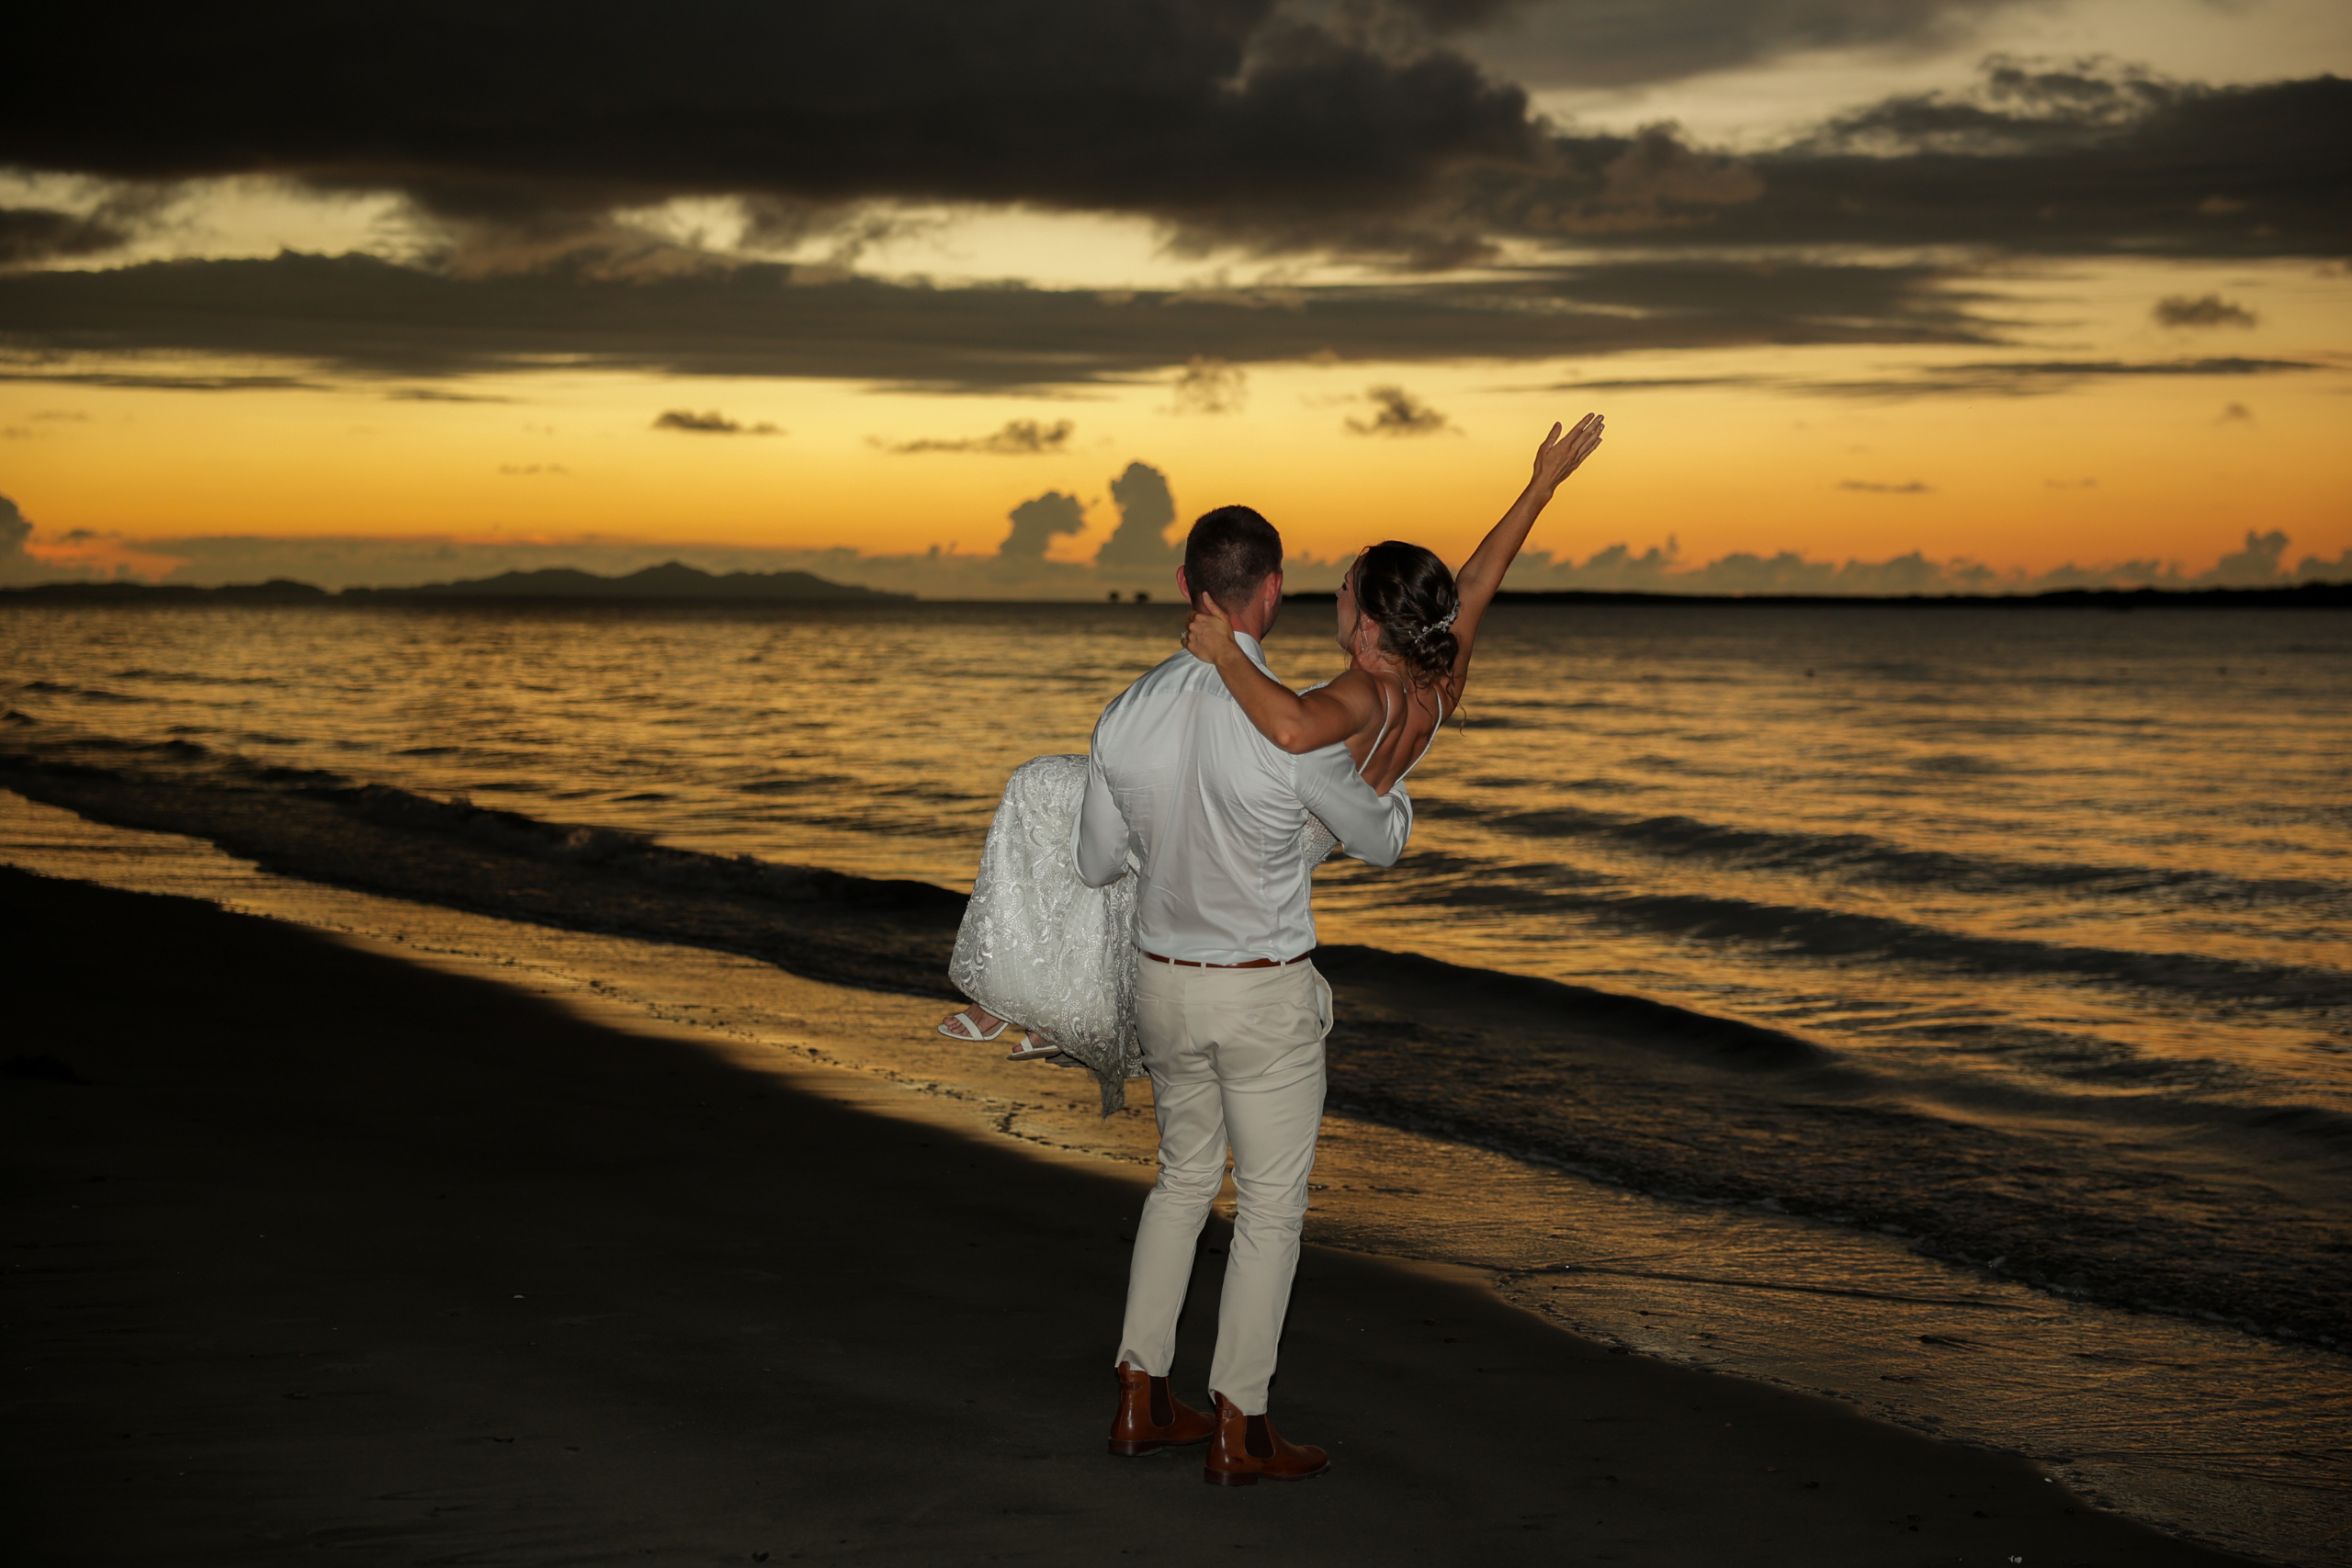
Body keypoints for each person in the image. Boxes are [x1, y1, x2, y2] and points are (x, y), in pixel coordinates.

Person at [1075, 502, 1413, 1483]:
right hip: (1260, 993)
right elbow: (1382, 842)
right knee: (1269, 1204)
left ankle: (1141, 1395)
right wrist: (1396, 769)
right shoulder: (1291, 723)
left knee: (1181, 1181)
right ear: (1270, 592)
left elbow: (1098, 861)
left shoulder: (1126, 713)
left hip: (1163, 987)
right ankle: (1242, 1424)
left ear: (1189, 590)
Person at [1179, 414, 1606, 785]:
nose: (1336, 594)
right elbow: (1474, 584)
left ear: (1369, 621)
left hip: (1256, 865)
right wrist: (1540, 488)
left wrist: (1226, 653)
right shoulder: (1437, 691)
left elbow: (1292, 730)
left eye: (1346, 588)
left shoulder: (1368, 691)